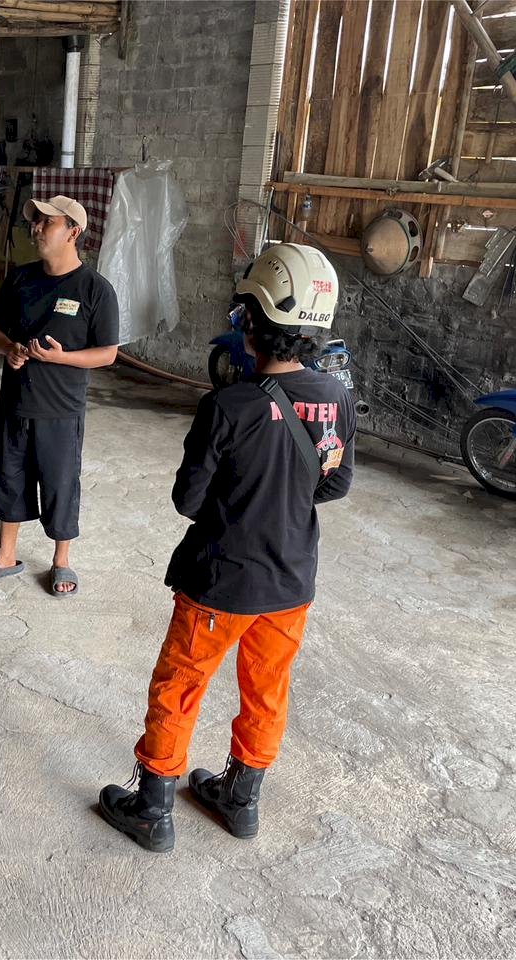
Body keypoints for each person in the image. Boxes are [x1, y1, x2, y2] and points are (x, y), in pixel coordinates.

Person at [98, 243, 356, 852]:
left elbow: (189, 501)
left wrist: (243, 503)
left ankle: (153, 806)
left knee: (180, 684)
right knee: (267, 689)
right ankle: (241, 798)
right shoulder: (339, 398)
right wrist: (279, 500)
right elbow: (335, 483)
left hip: (222, 582)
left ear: (255, 324)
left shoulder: (227, 406)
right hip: (292, 583)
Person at [0, 195, 119, 596]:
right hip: (15, 401)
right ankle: (5, 556)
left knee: (60, 483)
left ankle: (61, 561)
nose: (36, 228)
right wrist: (10, 348)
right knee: (9, 476)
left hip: (61, 408)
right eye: (35, 222)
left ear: (73, 231)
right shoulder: (20, 278)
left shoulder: (95, 289)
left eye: (47, 222)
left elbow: (108, 353)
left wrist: (63, 358)